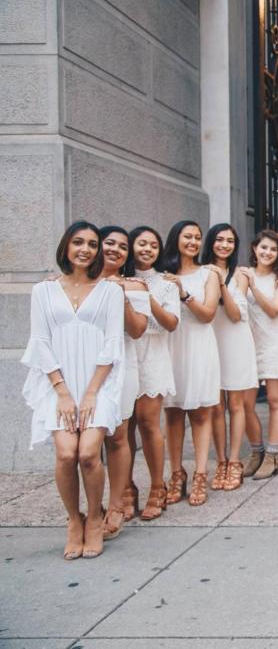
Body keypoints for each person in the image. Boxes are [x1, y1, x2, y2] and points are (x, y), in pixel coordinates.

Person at [23, 221, 125, 559]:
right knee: (66, 453)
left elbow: (113, 342)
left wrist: (92, 392)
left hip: (99, 382)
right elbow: (40, 342)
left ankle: (94, 518)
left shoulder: (110, 291)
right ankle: (73, 519)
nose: (86, 249)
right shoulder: (43, 291)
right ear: (66, 246)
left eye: (93, 244)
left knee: (88, 453)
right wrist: (63, 392)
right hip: (58, 383)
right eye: (78, 242)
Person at [161, 221, 222, 507]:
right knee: (172, 413)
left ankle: (200, 473)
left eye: (198, 237)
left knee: (200, 413)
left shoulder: (209, 273)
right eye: (188, 236)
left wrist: (184, 293)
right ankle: (176, 473)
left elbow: (208, 314)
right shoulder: (163, 273)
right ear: (176, 238)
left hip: (198, 345)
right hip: (170, 345)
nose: (194, 242)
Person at [97, 226, 150, 540]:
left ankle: (117, 504)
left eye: (122, 246)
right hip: (85, 369)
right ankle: (93, 507)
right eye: (109, 243)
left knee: (118, 437)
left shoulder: (134, 285)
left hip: (122, 366)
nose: (115, 250)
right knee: (87, 446)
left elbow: (138, 330)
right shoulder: (78, 284)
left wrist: (122, 297)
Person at [126, 226, 178, 520]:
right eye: (141, 243)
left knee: (148, 422)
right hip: (124, 355)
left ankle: (158, 487)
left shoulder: (166, 283)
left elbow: (171, 323)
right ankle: (125, 489)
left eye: (153, 245)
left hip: (153, 356)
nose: (147, 249)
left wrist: (147, 296)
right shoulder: (116, 279)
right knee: (122, 428)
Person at [202, 224, 259, 486]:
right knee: (215, 406)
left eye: (230, 241)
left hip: (236, 341)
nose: (224, 245)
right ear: (210, 242)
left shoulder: (241, 275)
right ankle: (221, 461)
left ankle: (235, 460)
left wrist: (222, 284)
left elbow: (236, 315)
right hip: (210, 340)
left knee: (236, 405)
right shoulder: (201, 272)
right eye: (219, 240)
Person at [243, 230, 278, 479]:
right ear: (255, 248)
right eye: (263, 247)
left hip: (275, 342)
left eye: (273, 249)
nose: (267, 252)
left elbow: (274, 309)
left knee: (275, 399)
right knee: (245, 404)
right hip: (248, 343)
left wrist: (253, 287)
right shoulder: (243, 273)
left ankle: (273, 455)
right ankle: (256, 452)